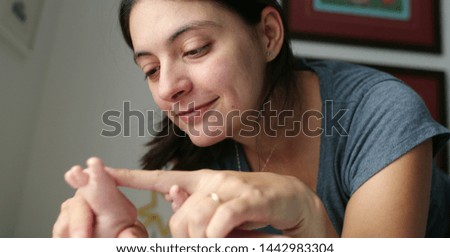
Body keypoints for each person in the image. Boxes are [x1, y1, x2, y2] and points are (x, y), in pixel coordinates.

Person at [53, 0, 450, 238]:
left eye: (194, 49)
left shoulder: (381, 113)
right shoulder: (199, 155)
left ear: (268, 35)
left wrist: (309, 218)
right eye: (151, 69)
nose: (168, 87)